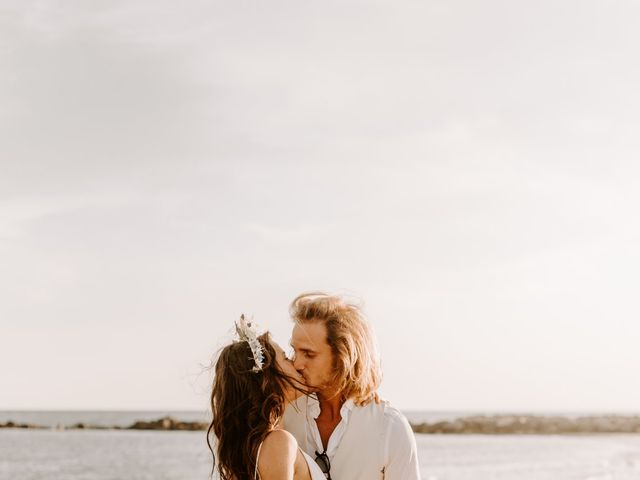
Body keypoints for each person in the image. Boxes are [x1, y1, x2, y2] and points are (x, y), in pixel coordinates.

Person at [284, 293, 421, 480]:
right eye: (295, 351)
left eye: (309, 354)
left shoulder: (389, 427)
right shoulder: (283, 415)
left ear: (343, 357)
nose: (297, 363)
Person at [208, 315, 327, 480]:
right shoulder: (278, 442)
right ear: (268, 379)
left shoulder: (253, 449)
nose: (296, 364)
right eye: (286, 358)